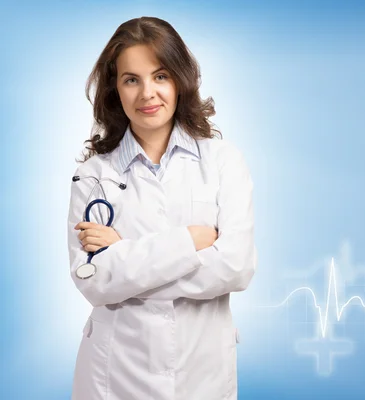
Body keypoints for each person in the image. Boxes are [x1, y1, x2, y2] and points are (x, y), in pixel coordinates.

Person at [67, 16, 256, 400]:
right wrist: (189, 241)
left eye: (160, 76)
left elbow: (236, 267)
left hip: (201, 373)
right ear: (114, 89)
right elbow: (94, 281)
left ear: (180, 81)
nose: (147, 93)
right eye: (131, 79)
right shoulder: (93, 176)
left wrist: (125, 256)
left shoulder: (222, 161)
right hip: (114, 376)